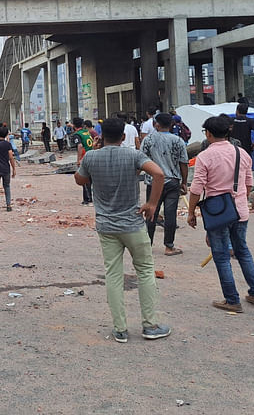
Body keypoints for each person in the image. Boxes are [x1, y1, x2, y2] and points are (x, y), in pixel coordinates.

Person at [74, 118, 170, 343]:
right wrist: (153, 204)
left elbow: (80, 180)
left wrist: (92, 155)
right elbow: (158, 174)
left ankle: (120, 329)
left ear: (100, 135)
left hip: (107, 226)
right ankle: (150, 324)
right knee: (145, 271)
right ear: (124, 136)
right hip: (133, 223)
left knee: (113, 275)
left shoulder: (91, 157)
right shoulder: (133, 155)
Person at [187, 115, 254, 312]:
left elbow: (196, 188)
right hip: (240, 211)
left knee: (221, 256)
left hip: (218, 212)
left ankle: (232, 300)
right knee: (242, 251)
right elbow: (248, 185)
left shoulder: (205, 156)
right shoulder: (242, 153)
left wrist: (191, 213)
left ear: (208, 134)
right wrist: (238, 200)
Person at [139, 113, 188, 255]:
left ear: (156, 125)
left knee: (151, 212)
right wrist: (184, 182)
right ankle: (169, 246)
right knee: (170, 213)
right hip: (173, 181)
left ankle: (147, 244)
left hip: (153, 181)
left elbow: (141, 160)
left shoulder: (148, 140)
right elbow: (183, 163)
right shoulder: (177, 140)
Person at [70, 117, 95, 205]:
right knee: (91, 179)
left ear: (74, 125)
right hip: (92, 156)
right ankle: (92, 198)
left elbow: (80, 146)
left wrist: (79, 160)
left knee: (84, 178)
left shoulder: (77, 135)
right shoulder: (86, 132)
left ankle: (87, 200)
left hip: (85, 158)